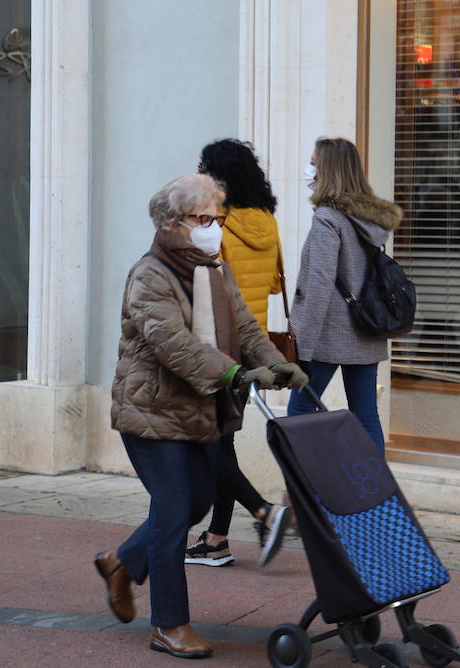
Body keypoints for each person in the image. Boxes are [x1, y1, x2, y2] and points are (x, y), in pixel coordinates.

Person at [92, 173, 306, 659]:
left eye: (217, 218)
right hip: (151, 411)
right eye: (202, 219)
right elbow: (174, 344)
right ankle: (168, 624)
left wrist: (274, 363)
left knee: (195, 506)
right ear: (173, 223)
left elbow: (246, 327)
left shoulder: (215, 269)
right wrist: (235, 374)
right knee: (173, 513)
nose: (213, 227)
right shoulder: (151, 274)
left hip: (197, 412)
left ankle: (120, 563)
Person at [185, 139, 291, 569]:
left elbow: (203, 285)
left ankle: (260, 511)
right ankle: (217, 538)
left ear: (220, 178)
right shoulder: (266, 222)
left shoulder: (218, 227)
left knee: (210, 442)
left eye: (202, 167)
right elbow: (272, 286)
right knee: (222, 439)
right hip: (253, 343)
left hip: (217, 343)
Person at [286, 137, 402, 452]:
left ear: (328, 170)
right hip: (366, 329)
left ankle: (305, 493)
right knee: (365, 416)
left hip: (326, 337)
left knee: (297, 413)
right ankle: (376, 498)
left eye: (313, 162)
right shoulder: (369, 220)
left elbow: (319, 284)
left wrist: (302, 346)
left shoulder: (328, 219)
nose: (308, 169)